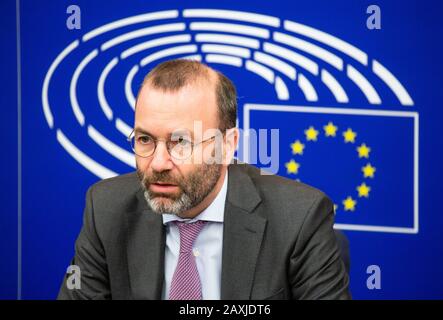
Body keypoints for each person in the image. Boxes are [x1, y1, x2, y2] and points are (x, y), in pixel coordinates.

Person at [58, 59, 350, 300]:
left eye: (181, 142)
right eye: (145, 139)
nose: (158, 163)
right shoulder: (106, 209)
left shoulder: (299, 218)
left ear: (228, 146)